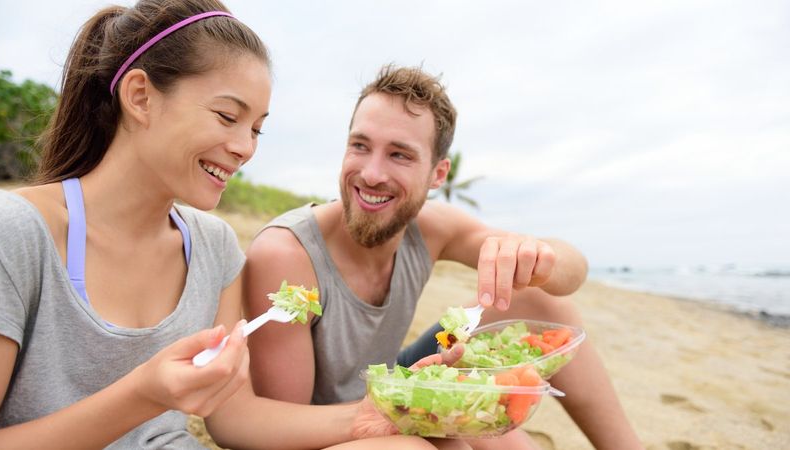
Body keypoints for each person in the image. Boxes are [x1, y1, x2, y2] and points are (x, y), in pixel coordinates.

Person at [0, 3, 467, 449]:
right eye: (227, 117)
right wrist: (145, 393)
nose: (245, 148)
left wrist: (375, 413)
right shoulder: (13, 232)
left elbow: (234, 419)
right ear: (140, 97)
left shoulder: (212, 245)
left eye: (256, 128)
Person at [245, 65, 644, 449]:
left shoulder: (431, 227)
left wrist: (537, 255)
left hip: (394, 374)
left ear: (438, 175)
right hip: (328, 423)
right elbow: (284, 429)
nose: (371, 173)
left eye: (399, 155)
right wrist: (421, 407)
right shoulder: (287, 255)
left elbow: (573, 272)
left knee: (540, 295)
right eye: (360, 146)